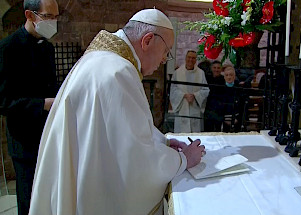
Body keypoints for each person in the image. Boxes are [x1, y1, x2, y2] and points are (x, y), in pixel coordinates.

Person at [29, 9, 205, 215]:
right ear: (147, 40)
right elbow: (137, 159)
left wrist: (163, 142)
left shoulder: (104, 60)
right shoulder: (118, 72)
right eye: (166, 52)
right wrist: (185, 159)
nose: (164, 60)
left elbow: (120, 134)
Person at [0, 0, 59, 214]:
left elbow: (51, 87)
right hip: (24, 140)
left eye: (55, 17)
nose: (53, 22)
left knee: (49, 197)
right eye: (48, 16)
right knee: (29, 200)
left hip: (47, 135)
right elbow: (4, 102)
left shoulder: (48, 48)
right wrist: (43, 104)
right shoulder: (8, 48)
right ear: (30, 15)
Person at [170, 50, 209, 133]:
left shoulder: (201, 73)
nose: (191, 60)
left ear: (196, 60)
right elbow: (173, 89)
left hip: (195, 106)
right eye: (189, 57)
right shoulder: (177, 72)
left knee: (194, 132)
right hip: (182, 106)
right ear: (185, 58)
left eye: (193, 58)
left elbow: (206, 90)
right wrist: (184, 95)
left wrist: (195, 95)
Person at [204, 60, 225, 132]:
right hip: (208, 108)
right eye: (214, 67)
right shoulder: (207, 78)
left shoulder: (223, 80)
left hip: (219, 109)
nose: (216, 69)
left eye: (218, 68)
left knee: (217, 130)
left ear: (221, 69)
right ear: (211, 68)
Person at [221, 66, 242, 132]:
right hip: (224, 120)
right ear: (224, 77)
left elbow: (241, 106)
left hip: (237, 119)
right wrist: (224, 119)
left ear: (234, 76)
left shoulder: (239, 89)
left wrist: (237, 119)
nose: (229, 77)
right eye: (226, 75)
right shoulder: (220, 89)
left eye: (231, 75)